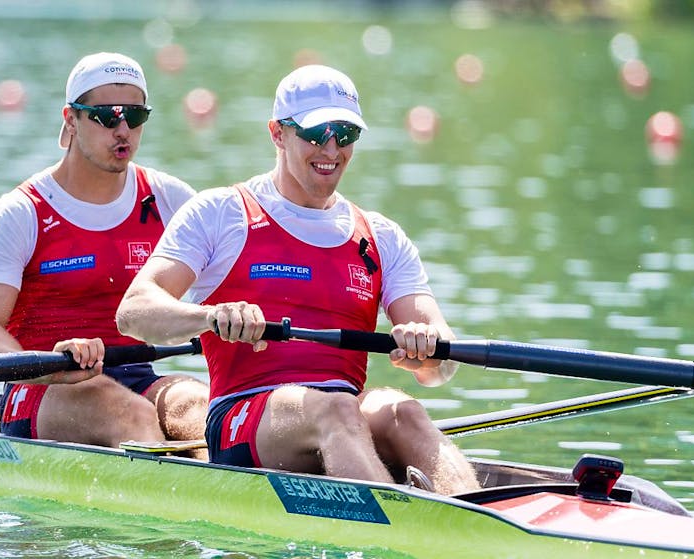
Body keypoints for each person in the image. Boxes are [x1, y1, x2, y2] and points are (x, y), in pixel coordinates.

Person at [115, 64, 478, 494]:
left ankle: (480, 522)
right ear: (277, 133)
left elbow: (442, 366)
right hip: (243, 420)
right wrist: (210, 316)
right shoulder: (221, 213)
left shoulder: (380, 235)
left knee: (405, 411)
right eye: (315, 132)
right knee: (338, 410)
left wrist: (429, 351)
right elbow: (133, 312)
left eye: (344, 134)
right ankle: (403, 527)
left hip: (341, 415)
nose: (331, 148)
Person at [0, 52, 208, 454]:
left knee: (199, 408)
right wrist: (46, 365)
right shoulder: (21, 213)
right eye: (107, 116)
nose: (123, 129)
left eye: (135, 116)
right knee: (132, 415)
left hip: (139, 376)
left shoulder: (171, 200)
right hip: (42, 388)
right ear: (71, 119)